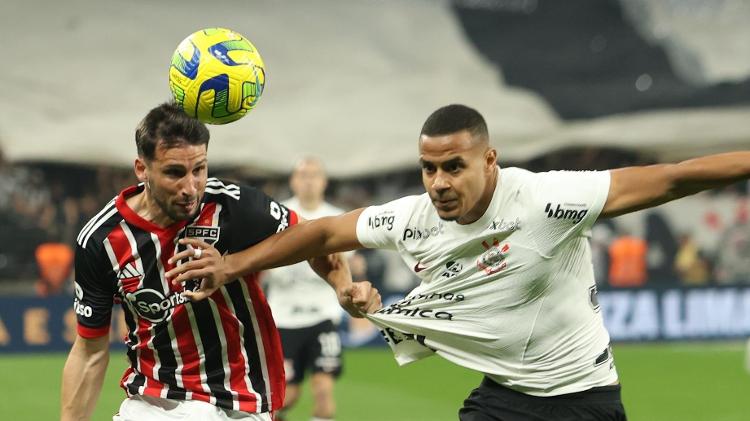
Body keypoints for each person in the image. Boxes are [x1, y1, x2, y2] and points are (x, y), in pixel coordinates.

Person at [166, 104, 750, 420]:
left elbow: (672, 178)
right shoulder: (413, 217)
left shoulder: (547, 199)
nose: (438, 183)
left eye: (453, 167)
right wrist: (232, 266)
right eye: (428, 168)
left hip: (584, 399)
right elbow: (321, 232)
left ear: (489, 160)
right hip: (504, 396)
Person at [60, 103, 380, 421]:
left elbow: (318, 240)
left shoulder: (231, 206)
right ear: (142, 169)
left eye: (199, 169)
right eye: (174, 173)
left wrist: (342, 287)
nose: (190, 188)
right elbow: (90, 352)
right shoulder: (101, 241)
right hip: (155, 402)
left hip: (237, 403)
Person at [262, 157, 346, 421]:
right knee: (287, 396)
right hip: (284, 318)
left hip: (323, 316)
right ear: (293, 181)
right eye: (303, 175)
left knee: (323, 391)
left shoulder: (338, 218)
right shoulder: (276, 214)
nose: (309, 180)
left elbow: (350, 265)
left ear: (324, 181)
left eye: (314, 175)